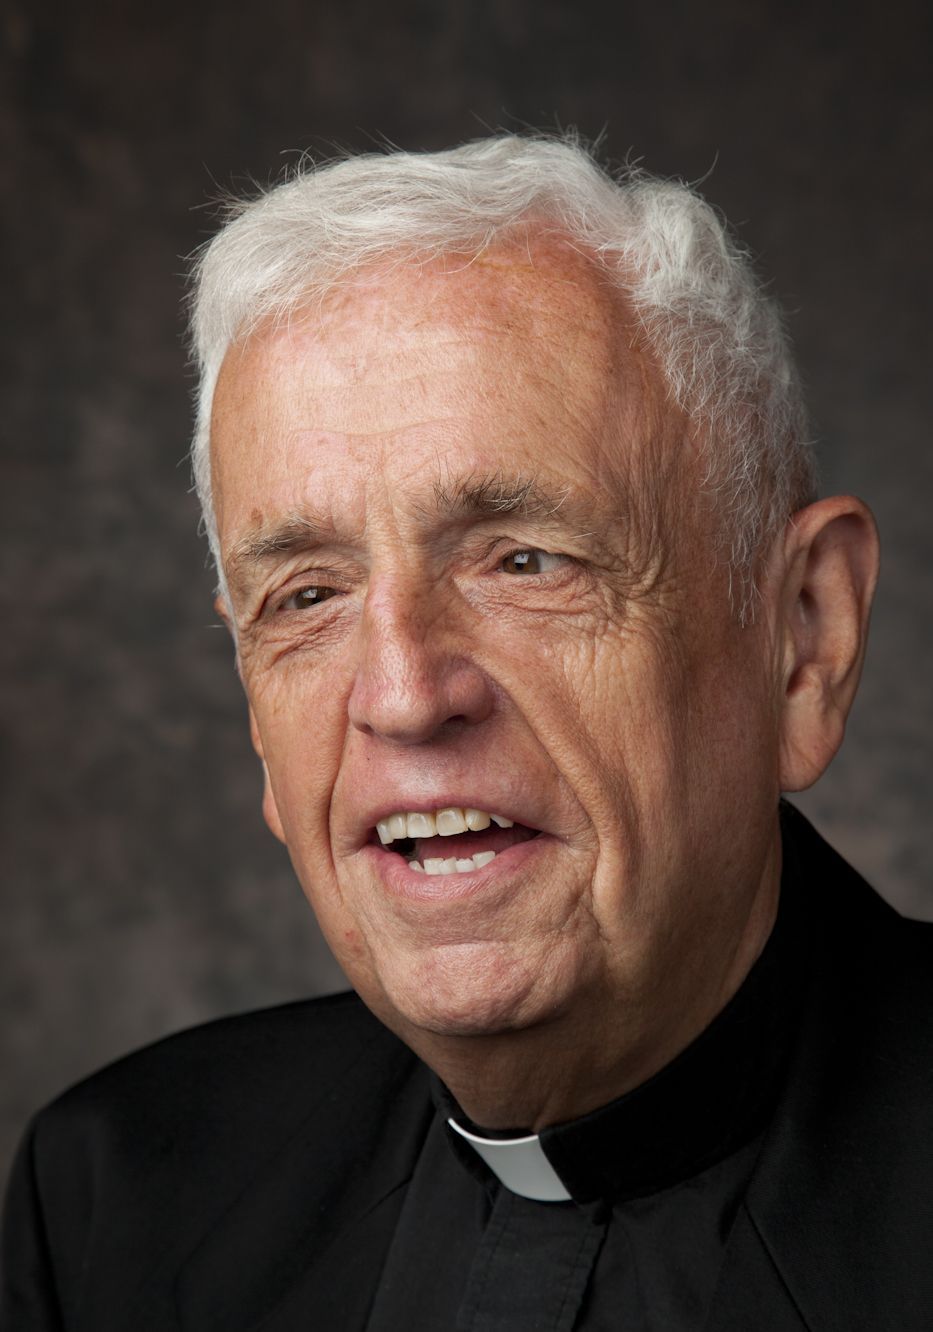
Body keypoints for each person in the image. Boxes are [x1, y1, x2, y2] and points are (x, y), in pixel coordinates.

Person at [2, 134, 931, 1331]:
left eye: (525, 560)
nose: (401, 693)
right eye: (309, 595)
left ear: (804, 639)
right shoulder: (115, 1199)